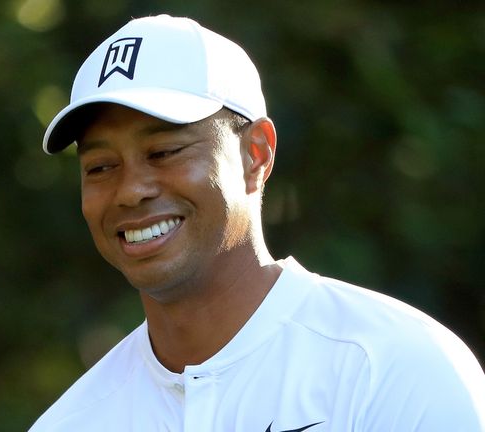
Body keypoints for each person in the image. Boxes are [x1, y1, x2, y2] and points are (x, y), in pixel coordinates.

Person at [30, 14, 485, 431]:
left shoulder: (394, 368)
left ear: (256, 154)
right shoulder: (72, 421)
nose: (131, 190)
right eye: (101, 167)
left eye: (164, 152)